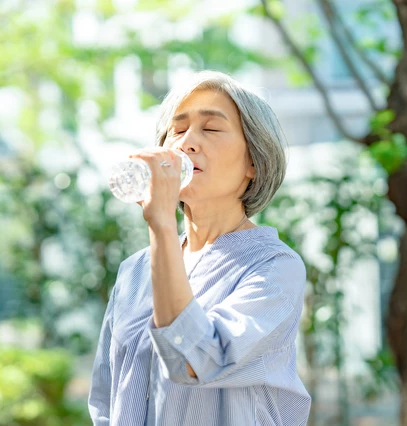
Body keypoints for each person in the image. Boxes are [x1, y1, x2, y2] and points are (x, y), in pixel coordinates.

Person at [88, 70, 311, 425]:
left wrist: (160, 222)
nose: (187, 143)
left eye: (211, 128)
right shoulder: (134, 271)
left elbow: (197, 361)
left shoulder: (275, 267)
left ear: (253, 161)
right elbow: (105, 399)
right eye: (177, 130)